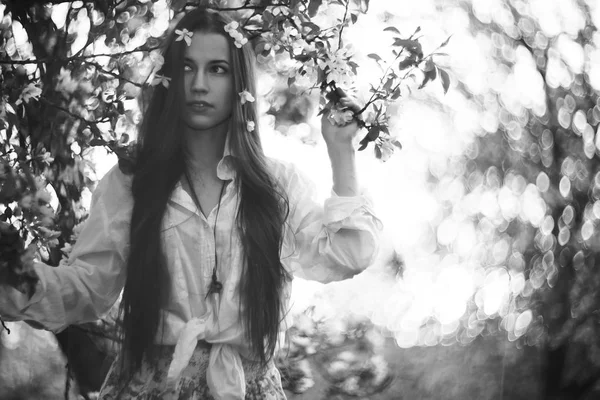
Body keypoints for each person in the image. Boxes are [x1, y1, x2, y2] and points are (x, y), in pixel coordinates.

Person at [0, 7, 382, 400]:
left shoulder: (276, 185)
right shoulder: (133, 182)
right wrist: (13, 276)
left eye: (217, 69)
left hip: (246, 388)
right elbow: (86, 289)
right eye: (186, 68)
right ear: (168, 78)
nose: (199, 84)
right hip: (151, 388)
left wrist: (342, 151)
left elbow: (347, 255)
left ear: (240, 83)